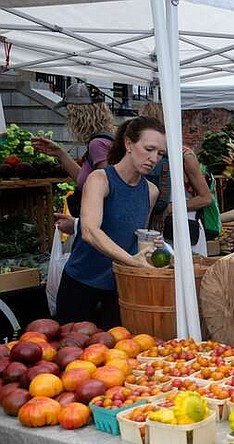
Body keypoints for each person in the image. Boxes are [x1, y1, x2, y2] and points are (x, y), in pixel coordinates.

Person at [56, 116, 166, 329]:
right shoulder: (100, 179)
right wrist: (133, 261)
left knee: (117, 354)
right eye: (149, 149)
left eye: (160, 154)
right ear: (128, 144)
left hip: (120, 289)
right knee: (71, 351)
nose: (154, 158)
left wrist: (152, 244)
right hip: (81, 283)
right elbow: (89, 231)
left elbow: (136, 234)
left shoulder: (151, 192)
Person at [32, 83, 116, 234]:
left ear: (79, 115)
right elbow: (88, 181)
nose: (69, 120)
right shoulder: (105, 139)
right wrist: (59, 153)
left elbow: (105, 190)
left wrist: (76, 225)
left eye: (70, 115)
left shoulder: (97, 144)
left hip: (98, 229)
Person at [137, 103, 213, 251]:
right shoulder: (144, 157)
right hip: (160, 231)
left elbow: (206, 198)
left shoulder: (185, 156)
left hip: (185, 230)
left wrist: (170, 208)